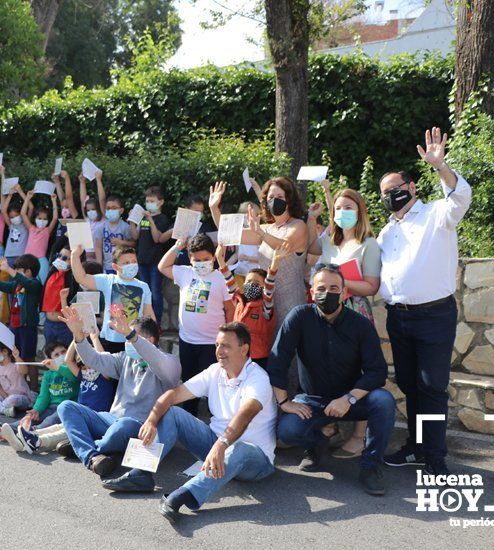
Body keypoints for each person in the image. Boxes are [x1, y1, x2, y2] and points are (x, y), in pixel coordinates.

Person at [101, 323, 277, 525]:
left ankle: (180, 496)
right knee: (173, 413)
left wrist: (222, 445)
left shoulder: (258, 379)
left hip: (255, 459)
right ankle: (140, 474)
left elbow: (245, 415)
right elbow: (174, 394)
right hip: (216, 447)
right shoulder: (215, 371)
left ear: (244, 349)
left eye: (226, 346)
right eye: (217, 345)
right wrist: (151, 420)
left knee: (239, 449)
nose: (219, 351)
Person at [379, 128, 472, 476]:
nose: (391, 196)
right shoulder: (388, 231)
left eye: (396, 190)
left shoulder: (437, 214)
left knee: (432, 387)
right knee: (409, 384)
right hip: (398, 319)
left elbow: (461, 197)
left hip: (434, 316)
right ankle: (416, 446)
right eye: (385, 193)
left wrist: (440, 166)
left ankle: (435, 457)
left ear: (412, 187)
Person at [267, 265, 395, 496]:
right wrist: (284, 402)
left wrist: (349, 398)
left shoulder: (361, 325)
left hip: (352, 400)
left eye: (334, 288)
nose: (327, 293)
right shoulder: (299, 317)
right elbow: (278, 360)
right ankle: (317, 443)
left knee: (384, 401)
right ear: (312, 291)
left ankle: (371, 467)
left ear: (344, 291)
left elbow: (377, 372)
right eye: (321, 288)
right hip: (312, 400)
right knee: (287, 430)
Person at [56, 307, 181, 477]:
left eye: (131, 336)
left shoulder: (170, 362)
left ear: (150, 340)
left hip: (138, 426)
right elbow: (94, 359)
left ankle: (86, 446)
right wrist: (78, 335)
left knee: (123, 426)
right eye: (126, 337)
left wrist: (132, 336)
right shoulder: (126, 358)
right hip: (111, 419)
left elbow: (157, 360)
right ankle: (92, 455)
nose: (127, 342)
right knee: (66, 407)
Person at [211, 177, 308, 392]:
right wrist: (214, 208)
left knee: (290, 355)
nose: (275, 201)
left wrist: (261, 232)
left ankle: (293, 404)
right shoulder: (264, 228)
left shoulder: (298, 225)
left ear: (290, 200)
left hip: (291, 301)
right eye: (271, 197)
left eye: (280, 197)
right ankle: (269, 402)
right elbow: (228, 233)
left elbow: (283, 246)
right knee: (268, 354)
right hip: (266, 302)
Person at [307, 184, 382, 459]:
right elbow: (309, 248)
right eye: (338, 208)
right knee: (326, 365)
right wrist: (313, 219)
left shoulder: (368, 245)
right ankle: (328, 425)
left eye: (348, 207)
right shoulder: (328, 240)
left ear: (359, 211)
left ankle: (359, 436)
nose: (342, 212)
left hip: (354, 311)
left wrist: (337, 282)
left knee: (358, 370)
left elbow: (372, 286)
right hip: (325, 311)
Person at [158, 234, 233, 415]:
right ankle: (189, 416)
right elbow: (162, 266)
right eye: (197, 260)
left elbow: (230, 309)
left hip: (212, 343)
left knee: (213, 383)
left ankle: (214, 417)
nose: (201, 263)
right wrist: (178, 246)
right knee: (190, 381)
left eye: (206, 259)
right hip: (188, 341)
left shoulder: (221, 277)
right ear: (190, 259)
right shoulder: (185, 273)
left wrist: (228, 336)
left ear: (213, 257)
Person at [12, 334, 115, 455]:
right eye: (82, 365)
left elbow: (103, 360)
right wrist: (77, 336)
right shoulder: (83, 376)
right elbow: (68, 360)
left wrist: (94, 337)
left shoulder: (104, 376)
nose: (86, 368)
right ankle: (28, 435)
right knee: (57, 427)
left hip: (94, 418)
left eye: (89, 362)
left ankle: (34, 438)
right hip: (78, 415)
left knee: (63, 428)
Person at [71, 243, 154, 353]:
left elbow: (149, 315)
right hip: (110, 340)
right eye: (126, 263)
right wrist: (75, 256)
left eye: (134, 262)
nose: (132, 265)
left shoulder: (144, 286)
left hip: (134, 340)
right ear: (115, 266)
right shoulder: (108, 280)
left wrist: (154, 337)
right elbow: (81, 278)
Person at [0, 340, 79, 450]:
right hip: (51, 407)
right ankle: (7, 429)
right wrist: (36, 410)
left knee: (50, 421)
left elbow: (74, 377)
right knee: (31, 417)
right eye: (56, 355)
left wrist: (58, 367)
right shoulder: (48, 375)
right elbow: (43, 397)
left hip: (66, 408)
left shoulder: (73, 369)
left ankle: (29, 434)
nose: (61, 356)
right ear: (50, 359)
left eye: (63, 352)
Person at [0, 255, 42, 378]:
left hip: (27, 327)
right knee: (15, 355)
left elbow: (27, 282)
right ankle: (20, 383)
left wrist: (8, 269)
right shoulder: (16, 285)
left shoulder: (35, 284)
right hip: (14, 326)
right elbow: (1, 285)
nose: (15, 273)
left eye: (18, 270)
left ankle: (34, 388)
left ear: (28, 271)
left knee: (28, 357)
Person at [131, 185, 172, 325]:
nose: (148, 204)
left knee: (155, 293)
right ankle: (144, 322)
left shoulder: (162, 218)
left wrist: (151, 221)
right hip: (141, 260)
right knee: (143, 293)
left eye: (152, 201)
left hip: (155, 261)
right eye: (147, 201)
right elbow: (135, 236)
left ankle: (157, 323)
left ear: (161, 202)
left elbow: (157, 238)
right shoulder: (143, 217)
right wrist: (132, 220)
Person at [20, 186, 58, 283]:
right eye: (40, 218)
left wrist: (54, 201)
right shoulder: (31, 228)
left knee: (44, 282)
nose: (42, 221)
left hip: (41, 260)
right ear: (35, 218)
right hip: (27, 260)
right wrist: (28, 198)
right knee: (25, 283)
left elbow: (55, 218)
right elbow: (23, 214)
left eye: (45, 219)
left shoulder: (47, 230)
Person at [94, 188, 134, 272]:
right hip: (107, 267)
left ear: (121, 210)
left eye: (114, 208)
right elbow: (98, 247)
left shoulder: (125, 227)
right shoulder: (100, 228)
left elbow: (133, 243)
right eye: (108, 208)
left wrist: (122, 242)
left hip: (123, 266)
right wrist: (99, 265)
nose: (110, 210)